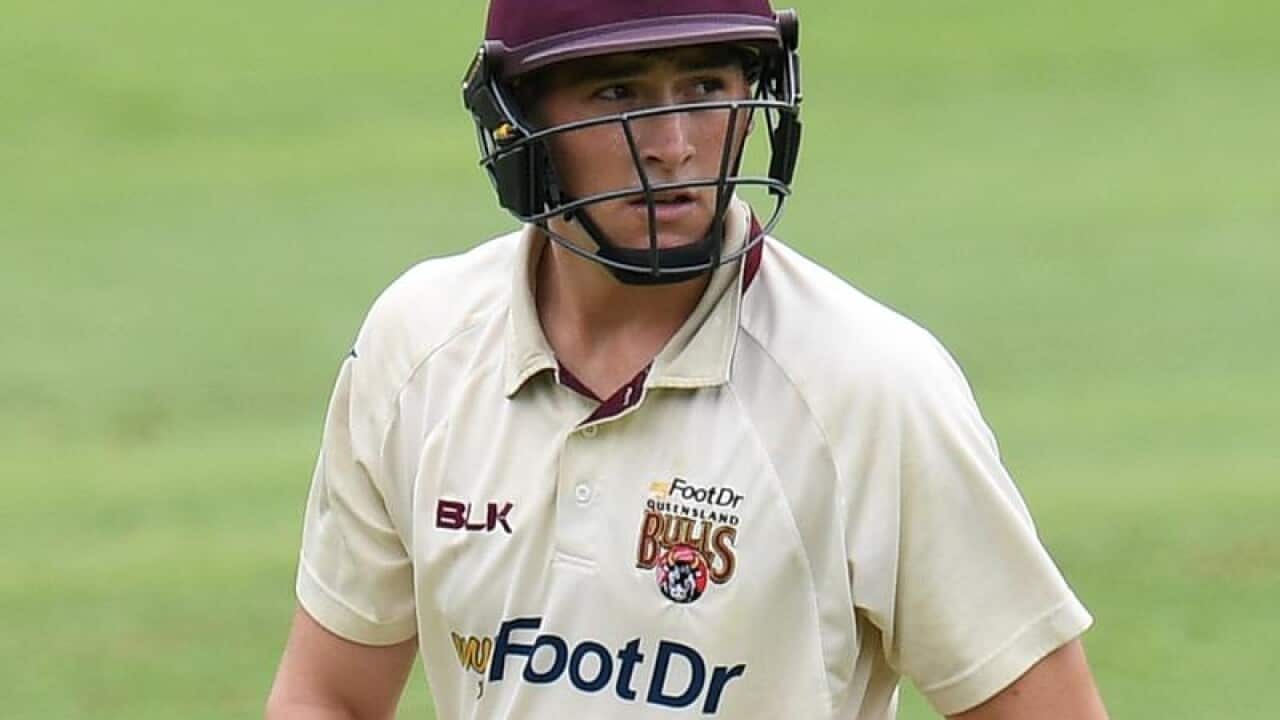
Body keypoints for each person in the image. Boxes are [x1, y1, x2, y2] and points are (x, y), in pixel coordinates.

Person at [266, 2, 1108, 718]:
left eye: (706, 88)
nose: (672, 145)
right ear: (518, 120)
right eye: (618, 92)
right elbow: (327, 694)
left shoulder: (872, 387)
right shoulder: (419, 346)